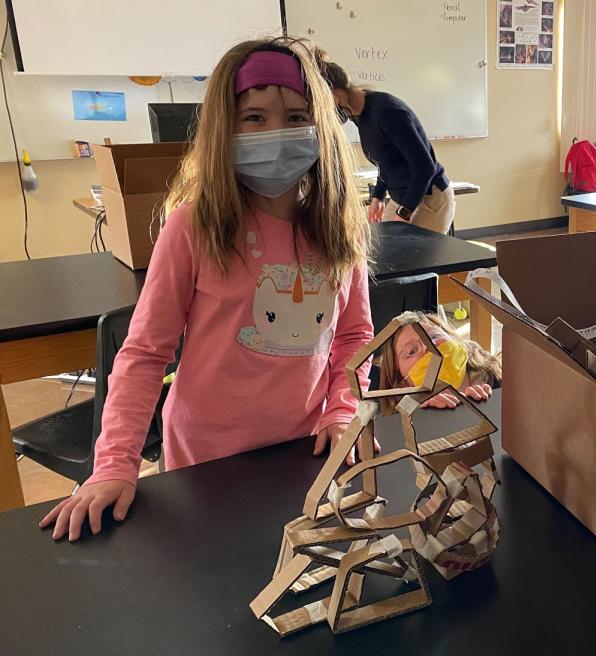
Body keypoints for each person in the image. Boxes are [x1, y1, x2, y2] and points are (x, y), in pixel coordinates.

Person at [40, 38, 374, 542]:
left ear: (321, 125)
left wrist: (343, 406)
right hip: (204, 461)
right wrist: (113, 464)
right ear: (227, 127)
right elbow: (145, 353)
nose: (276, 133)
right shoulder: (194, 226)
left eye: (296, 115)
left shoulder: (337, 227)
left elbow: (353, 336)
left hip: (301, 454)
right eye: (255, 117)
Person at [316, 53, 455, 234]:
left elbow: (425, 167)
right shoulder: (358, 115)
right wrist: (378, 197)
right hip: (402, 197)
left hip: (428, 198)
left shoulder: (388, 112)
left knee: (422, 260)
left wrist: (404, 213)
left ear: (334, 95)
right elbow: (385, 162)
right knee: (386, 252)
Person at [377, 312, 501, 413]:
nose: (430, 347)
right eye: (412, 351)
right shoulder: (405, 423)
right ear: (403, 384)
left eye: (434, 336)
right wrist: (425, 420)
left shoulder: (498, 378)